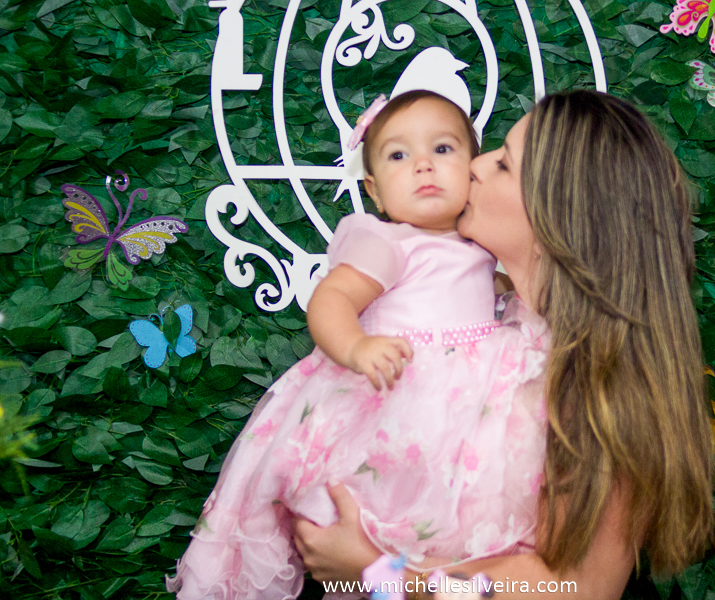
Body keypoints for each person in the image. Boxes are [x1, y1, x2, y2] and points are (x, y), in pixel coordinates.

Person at [292, 90, 715, 599]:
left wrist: (381, 573)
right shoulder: (484, 330)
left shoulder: (598, 383)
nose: (477, 163)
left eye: (504, 164)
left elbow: (577, 590)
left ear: (558, 217)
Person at [166, 90, 550, 600]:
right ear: (374, 190)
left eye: (443, 150)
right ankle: (370, 562)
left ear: (469, 168)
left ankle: (396, 570)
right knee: (364, 501)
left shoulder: (481, 250)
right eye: (398, 156)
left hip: (460, 416)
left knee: (446, 515)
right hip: (393, 394)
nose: (422, 167)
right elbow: (333, 299)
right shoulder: (386, 241)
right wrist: (356, 349)